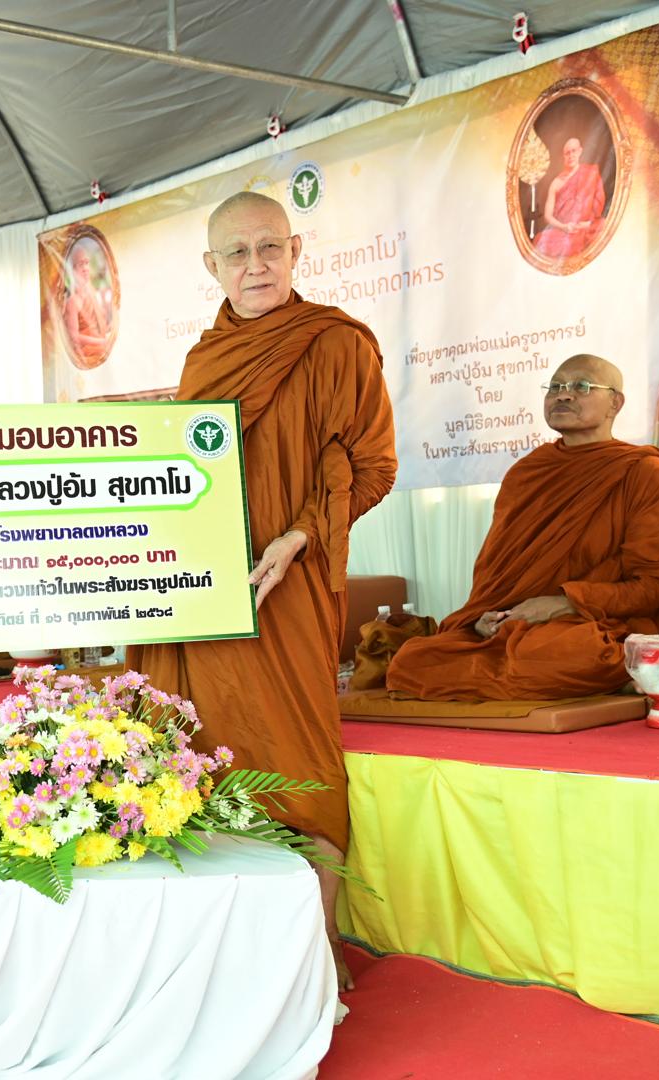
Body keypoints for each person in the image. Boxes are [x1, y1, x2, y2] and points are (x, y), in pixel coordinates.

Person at [128, 191, 397, 987]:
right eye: (237, 253)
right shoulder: (203, 359)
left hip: (290, 588)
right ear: (210, 266)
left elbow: (373, 469)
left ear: (295, 250)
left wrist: (299, 537)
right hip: (202, 592)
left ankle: (317, 952)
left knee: (298, 760)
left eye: (270, 248)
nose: (256, 266)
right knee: (198, 751)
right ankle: (227, 951)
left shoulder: (337, 343)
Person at [386, 354, 659, 701]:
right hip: (516, 622)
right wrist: (484, 617)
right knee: (412, 661)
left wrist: (566, 603)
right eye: (555, 387)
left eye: (581, 386)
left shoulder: (645, 472)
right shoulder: (527, 473)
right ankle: (601, 679)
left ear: (615, 403)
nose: (563, 395)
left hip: (593, 623)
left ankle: (615, 669)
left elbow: (654, 586)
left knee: (552, 654)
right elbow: (496, 572)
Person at [533, 137, 606, 261]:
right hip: (564, 232)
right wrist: (564, 227)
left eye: (574, 151)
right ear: (563, 156)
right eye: (567, 153)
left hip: (587, 228)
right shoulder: (556, 183)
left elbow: (599, 202)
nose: (571, 155)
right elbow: (547, 216)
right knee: (541, 241)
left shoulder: (591, 173)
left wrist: (588, 224)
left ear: (580, 151)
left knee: (604, 225)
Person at [62, 243, 114, 365]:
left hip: (100, 342)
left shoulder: (91, 291)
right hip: (86, 351)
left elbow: (100, 320)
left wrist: (109, 327)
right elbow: (74, 337)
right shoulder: (72, 301)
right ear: (72, 270)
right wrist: (101, 342)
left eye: (87, 263)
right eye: (81, 264)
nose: (85, 268)